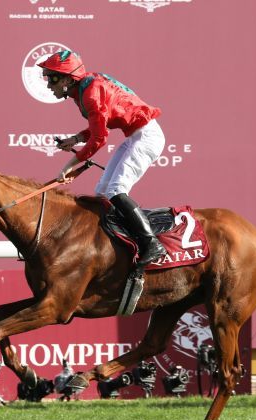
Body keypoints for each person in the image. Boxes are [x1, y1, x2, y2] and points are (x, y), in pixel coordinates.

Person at [38, 50, 166, 266]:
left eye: (53, 78)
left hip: (146, 136)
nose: (49, 84)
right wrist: (77, 138)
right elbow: (99, 125)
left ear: (69, 78)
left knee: (116, 190)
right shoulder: (86, 87)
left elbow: (99, 139)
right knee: (103, 193)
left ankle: (152, 244)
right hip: (137, 135)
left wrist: (69, 166)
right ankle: (118, 243)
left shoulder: (90, 93)